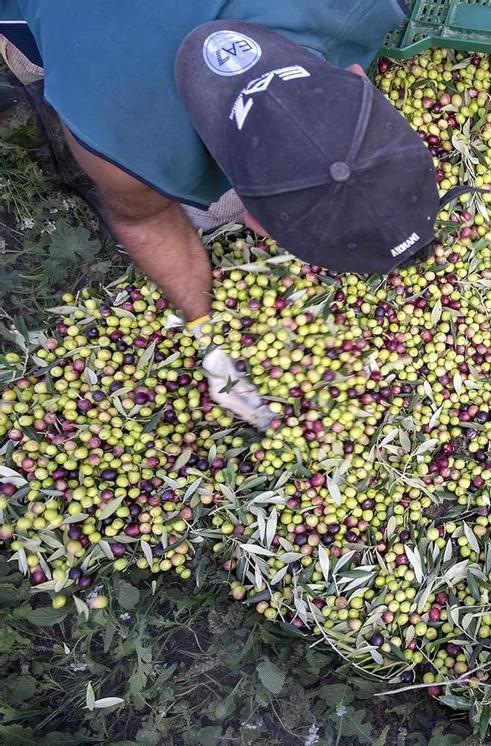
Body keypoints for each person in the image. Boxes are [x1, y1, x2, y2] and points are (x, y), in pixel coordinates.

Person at [0, 4, 447, 430]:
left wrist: (207, 332)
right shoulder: (121, 138)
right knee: (43, 51)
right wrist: (205, 335)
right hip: (74, 32)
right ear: (252, 219)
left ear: (358, 81)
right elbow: (145, 221)